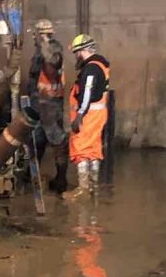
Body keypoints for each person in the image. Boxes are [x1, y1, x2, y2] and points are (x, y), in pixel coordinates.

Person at [64, 33, 111, 201]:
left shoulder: (91, 68)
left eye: (76, 53)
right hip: (98, 114)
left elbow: (87, 93)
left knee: (81, 148)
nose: (76, 57)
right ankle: (93, 187)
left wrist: (80, 115)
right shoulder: (101, 65)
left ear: (81, 51)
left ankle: (83, 189)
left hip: (89, 115)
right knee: (93, 149)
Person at [27, 18, 68, 193]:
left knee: (56, 140)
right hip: (39, 103)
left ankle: (61, 179)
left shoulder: (52, 48)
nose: (34, 38)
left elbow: (54, 63)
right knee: (37, 140)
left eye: (36, 34)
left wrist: (45, 45)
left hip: (50, 104)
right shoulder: (40, 50)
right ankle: (31, 176)